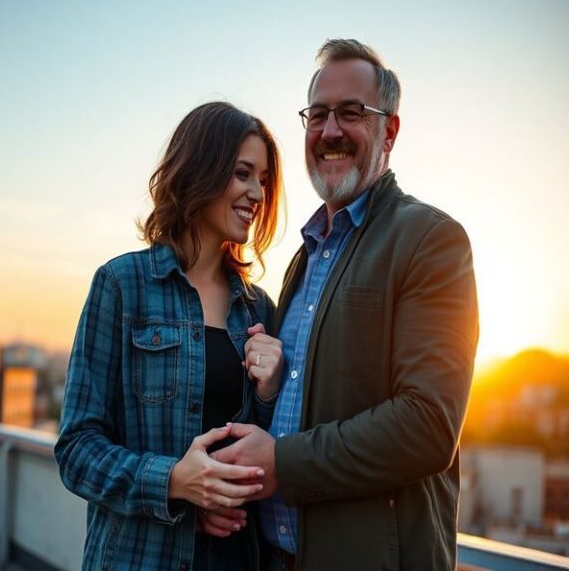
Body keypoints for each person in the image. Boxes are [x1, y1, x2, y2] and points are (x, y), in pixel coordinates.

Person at [205, 39, 480, 570]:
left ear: (389, 131)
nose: (330, 131)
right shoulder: (301, 263)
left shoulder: (432, 240)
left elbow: (428, 426)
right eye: (318, 115)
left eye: (351, 113)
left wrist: (281, 464)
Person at [54, 101, 285, 571]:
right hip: (141, 559)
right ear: (201, 170)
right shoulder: (122, 285)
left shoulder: (258, 307)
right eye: (243, 173)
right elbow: (76, 450)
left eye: (263, 179)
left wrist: (270, 390)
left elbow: (270, 450)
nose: (256, 192)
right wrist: (175, 483)